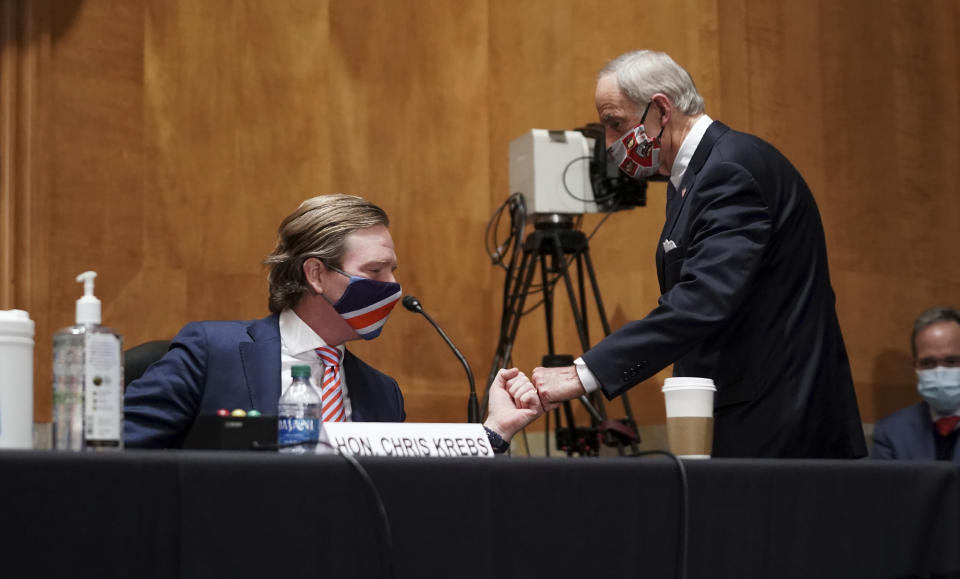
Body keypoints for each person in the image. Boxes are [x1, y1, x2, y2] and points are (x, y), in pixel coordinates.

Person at [532, 50, 865, 458]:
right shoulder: (694, 177)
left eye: (615, 124)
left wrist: (583, 373)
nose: (610, 143)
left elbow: (701, 301)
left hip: (778, 428)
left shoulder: (730, 170)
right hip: (753, 419)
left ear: (660, 110)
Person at [124, 194, 541, 453]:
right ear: (316, 275)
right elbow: (116, 454)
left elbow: (416, 490)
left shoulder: (383, 394)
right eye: (376, 272)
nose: (394, 287)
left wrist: (495, 431)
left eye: (393, 271)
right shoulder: (211, 351)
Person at [873, 308, 960, 461]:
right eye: (928, 363)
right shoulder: (890, 432)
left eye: (951, 361)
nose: (940, 372)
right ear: (916, 367)